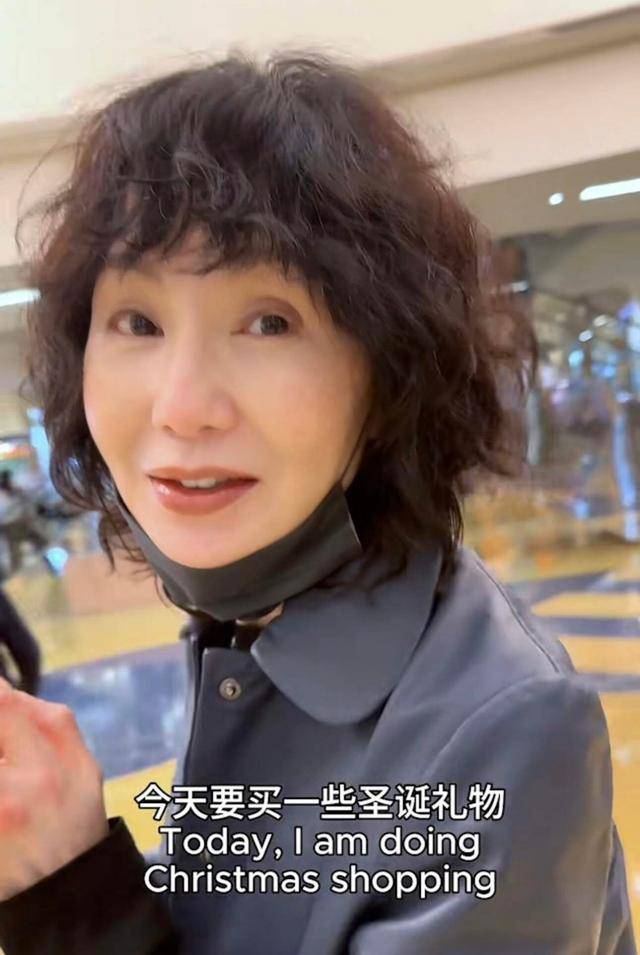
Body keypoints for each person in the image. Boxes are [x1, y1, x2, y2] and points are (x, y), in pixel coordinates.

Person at [0, 51, 635, 954]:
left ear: (388, 370)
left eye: (269, 322)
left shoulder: (502, 729)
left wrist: (74, 895)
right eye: (138, 322)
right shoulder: (247, 621)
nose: (182, 406)